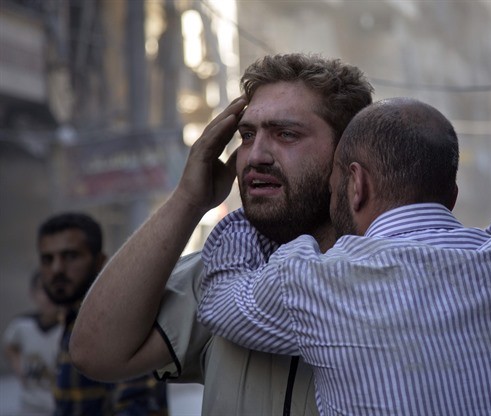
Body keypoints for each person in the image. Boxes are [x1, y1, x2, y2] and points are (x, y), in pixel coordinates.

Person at [197, 98, 491, 414]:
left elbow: (220, 298)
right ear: (451, 196)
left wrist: (253, 198)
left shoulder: (317, 283)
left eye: (332, 186)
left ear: (356, 186)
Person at [69, 53, 374, 415]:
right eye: (247, 135)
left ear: (347, 154)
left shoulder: (395, 274)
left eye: (286, 134)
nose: (256, 155)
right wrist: (188, 200)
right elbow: (96, 353)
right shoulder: (224, 277)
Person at [36, 212, 168, 416]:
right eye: (47, 259)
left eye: (70, 256)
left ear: (100, 262)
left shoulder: (112, 324)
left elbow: (137, 407)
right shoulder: (73, 321)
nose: (57, 269)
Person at [3, 270, 62, 415]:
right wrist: (18, 366)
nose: (47, 296)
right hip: (29, 405)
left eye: (53, 290)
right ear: (33, 293)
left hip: (59, 406)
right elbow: (9, 345)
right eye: (43, 289)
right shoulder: (22, 325)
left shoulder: (67, 329)